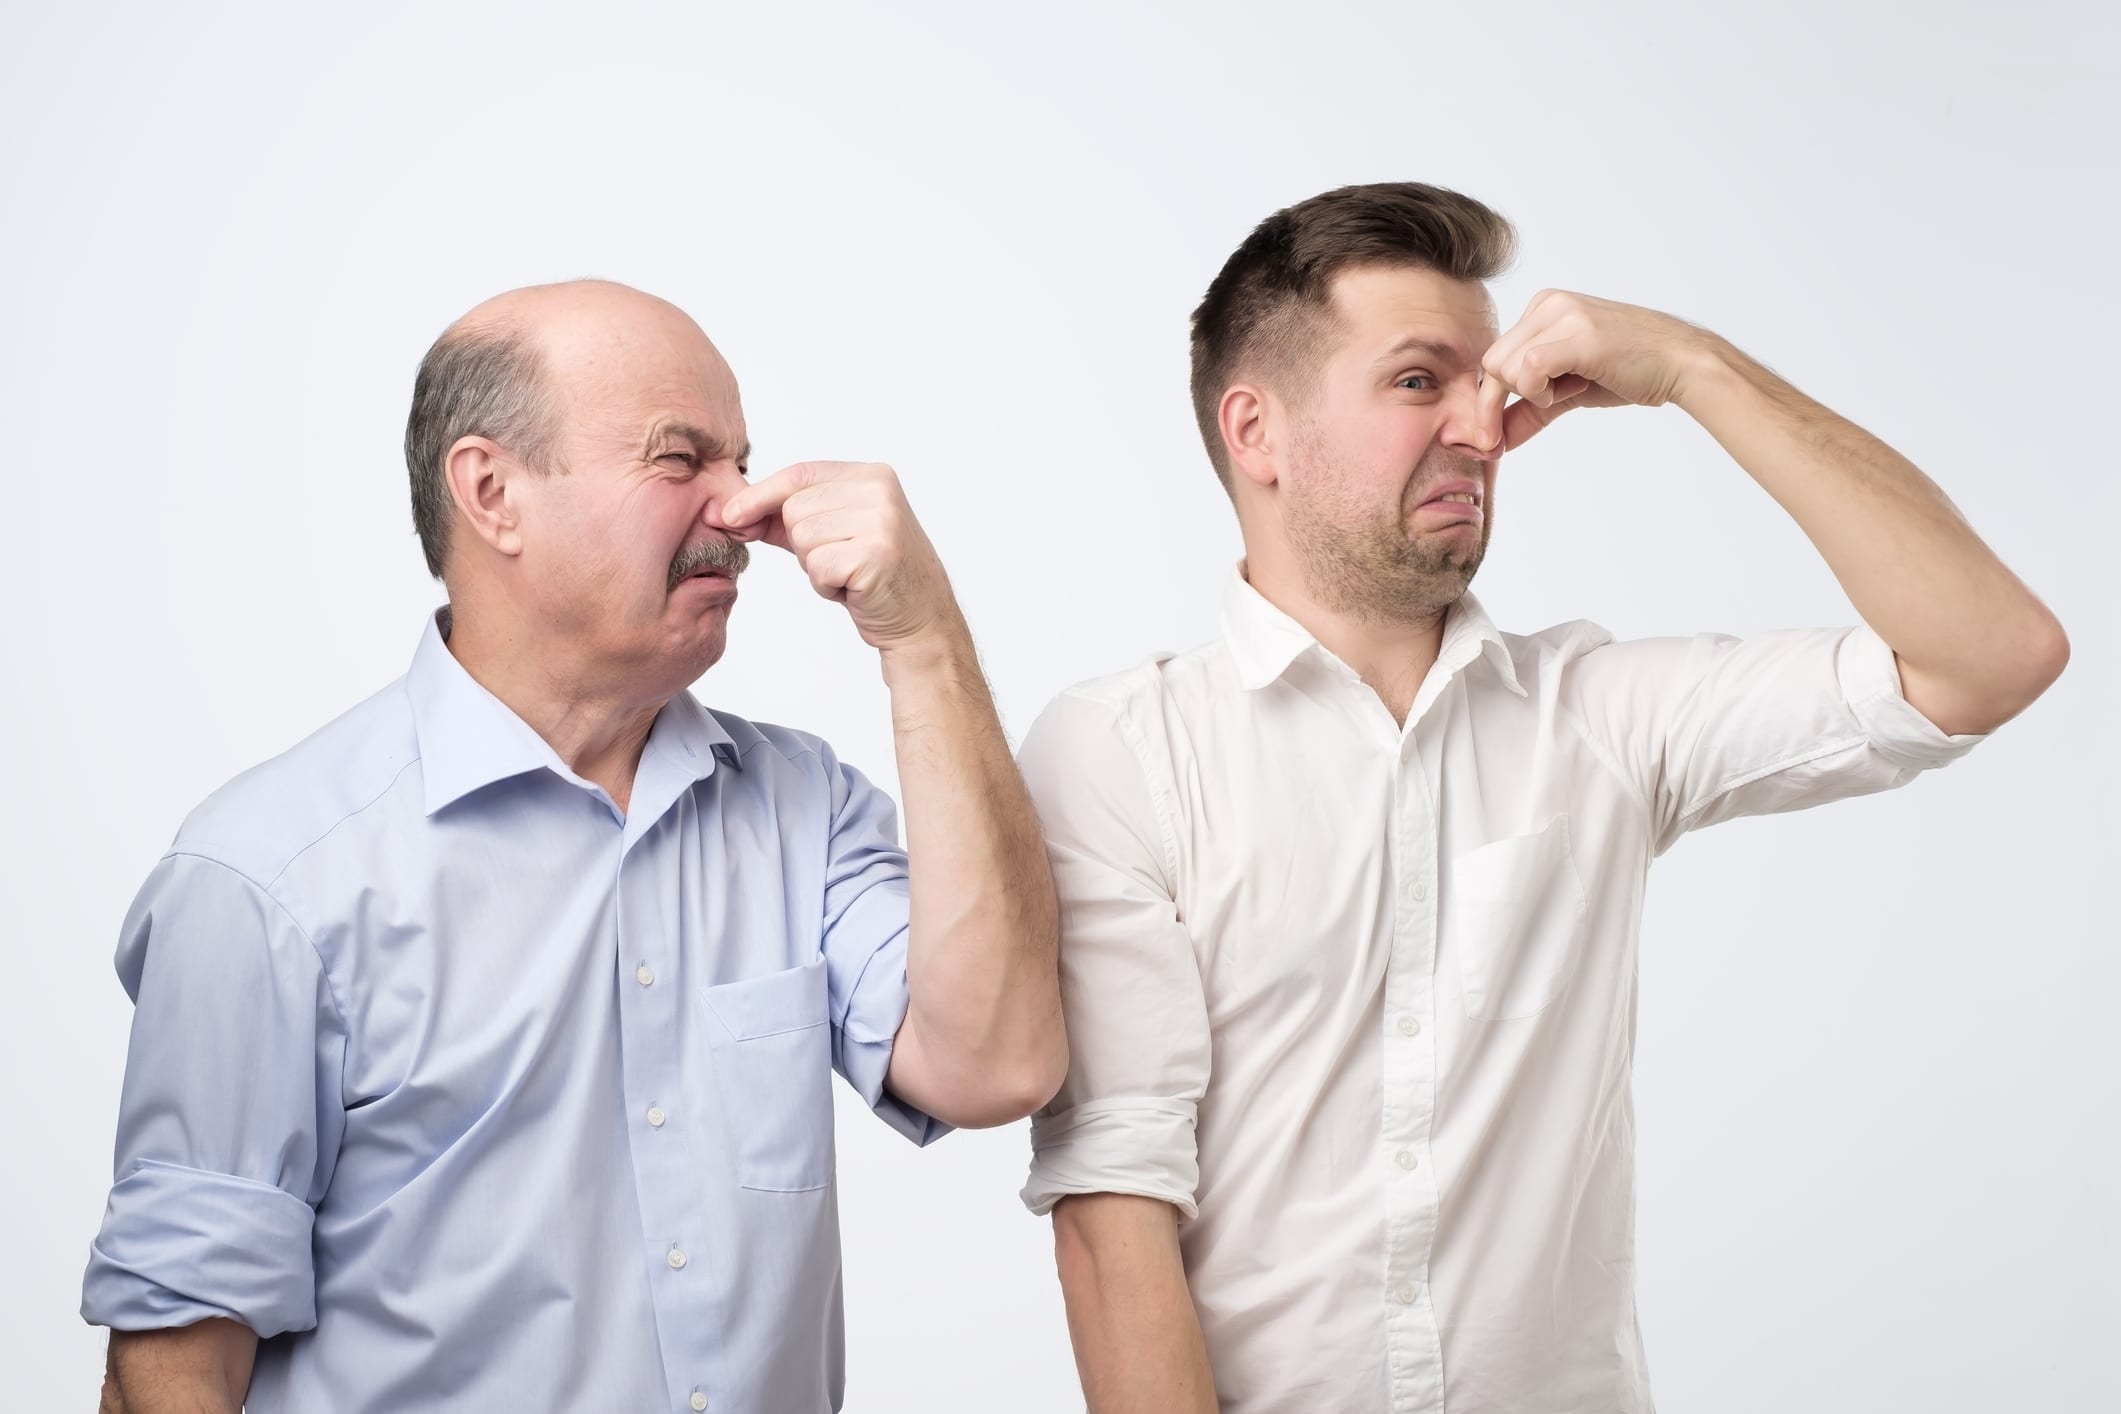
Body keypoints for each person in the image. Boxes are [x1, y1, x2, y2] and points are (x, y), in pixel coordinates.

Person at [1017, 182, 2067, 1413]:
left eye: (1490, 380)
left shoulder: (1598, 714)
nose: (1484, 424)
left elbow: (1990, 655)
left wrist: (1693, 367)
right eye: (1420, 380)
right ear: (1256, 432)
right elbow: (1115, 1206)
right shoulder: (1121, 748)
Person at [81, 280, 1065, 1414]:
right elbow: (176, 1363)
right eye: (680, 457)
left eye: (742, 459)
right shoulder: (266, 879)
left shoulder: (804, 806)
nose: (743, 507)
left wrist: (923, 636)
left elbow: (999, 1063)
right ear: (491, 492)